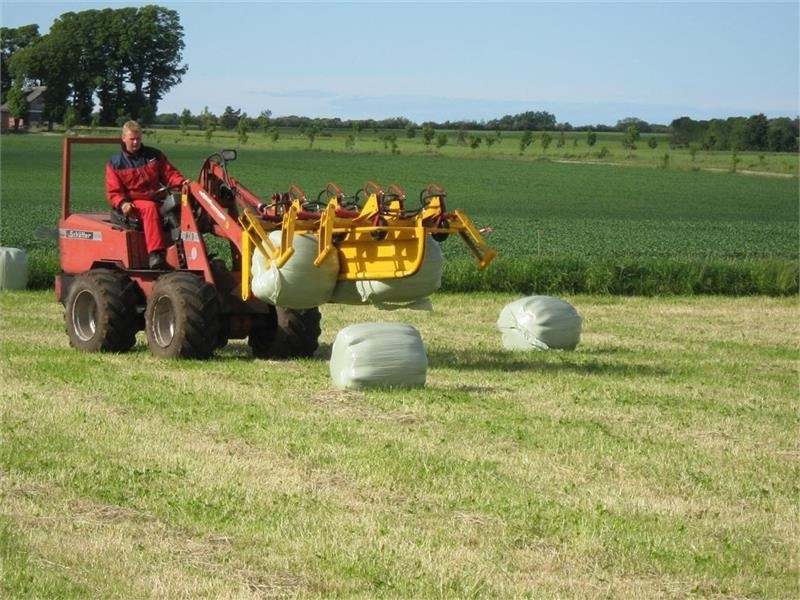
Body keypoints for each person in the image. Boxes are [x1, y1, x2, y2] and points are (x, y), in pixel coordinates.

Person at [105, 120, 188, 269]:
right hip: (133, 204)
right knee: (150, 208)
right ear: (123, 138)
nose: (136, 142)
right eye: (132, 139)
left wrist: (183, 183)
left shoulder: (154, 156)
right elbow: (114, 192)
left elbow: (170, 175)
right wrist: (122, 203)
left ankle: (187, 253)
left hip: (157, 198)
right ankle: (156, 255)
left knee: (181, 206)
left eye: (138, 138)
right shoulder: (116, 163)